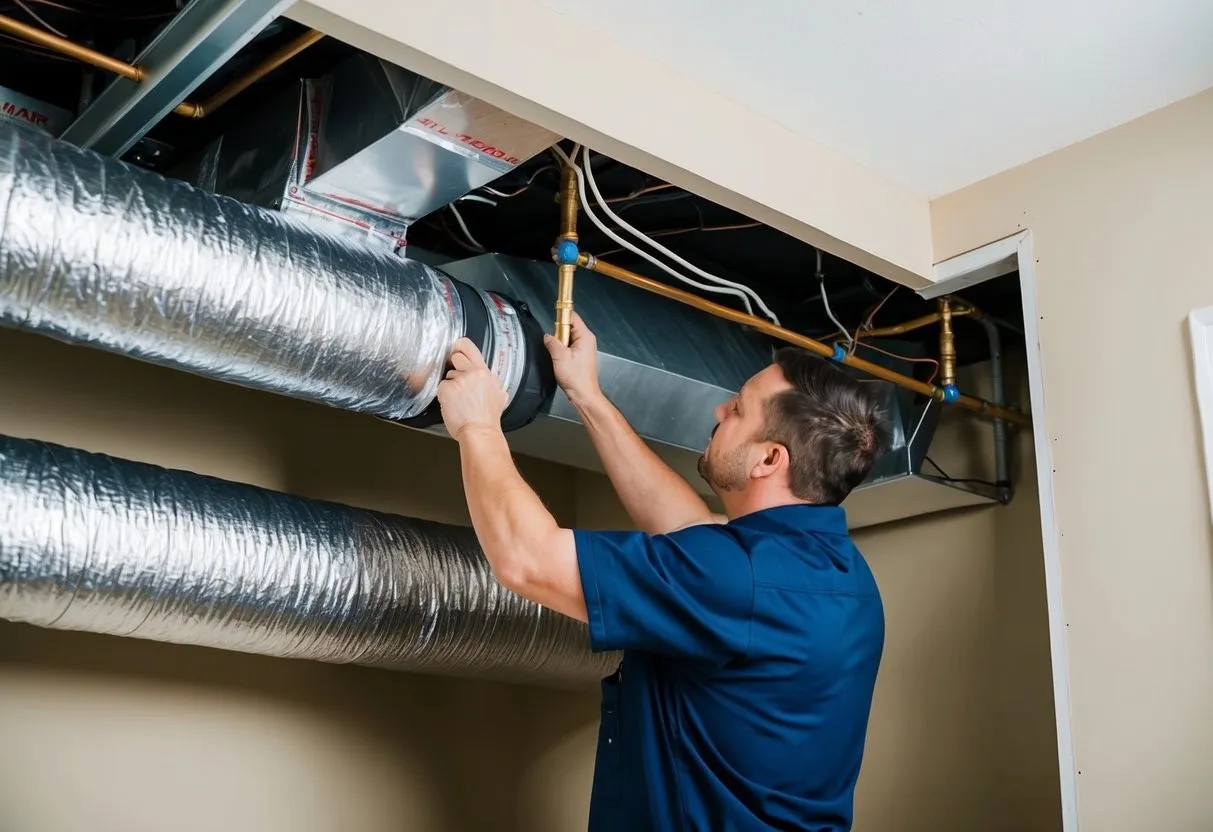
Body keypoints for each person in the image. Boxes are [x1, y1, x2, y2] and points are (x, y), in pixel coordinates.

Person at [436, 311, 890, 832]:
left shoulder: (735, 577)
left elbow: (527, 559)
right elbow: (686, 527)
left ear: (769, 460)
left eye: (739, 409)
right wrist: (587, 394)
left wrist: (476, 425)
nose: (721, 409)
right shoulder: (843, 574)